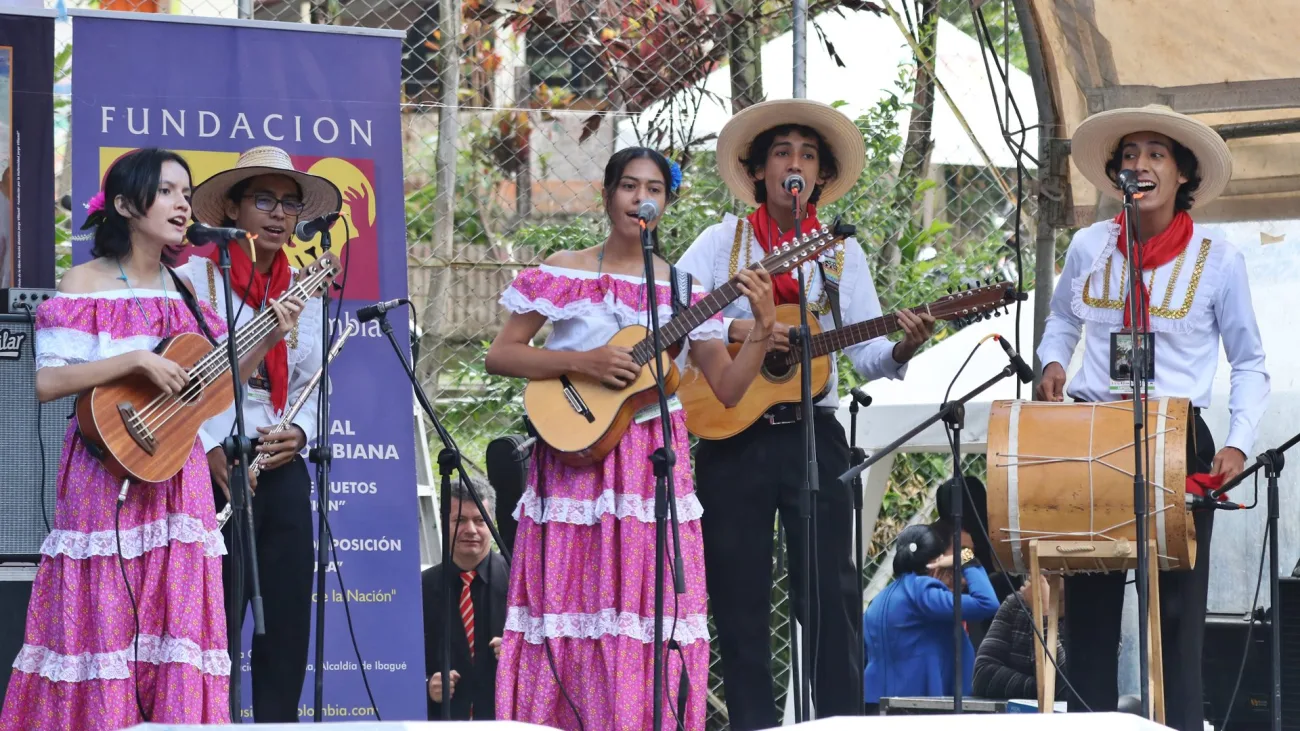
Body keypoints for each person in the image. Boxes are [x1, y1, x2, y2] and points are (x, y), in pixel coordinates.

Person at [0, 147, 302, 730]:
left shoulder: (187, 290)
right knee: (104, 623)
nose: (183, 203)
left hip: (176, 480)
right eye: (167, 191)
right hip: (102, 475)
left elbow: (213, 388)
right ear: (123, 204)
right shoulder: (84, 281)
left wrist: (269, 337)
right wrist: (134, 361)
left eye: (186, 193)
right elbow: (47, 381)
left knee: (175, 626)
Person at [485, 147, 777, 730]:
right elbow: (501, 355)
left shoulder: (688, 289)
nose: (640, 199)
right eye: (628, 186)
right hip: (572, 459)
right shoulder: (564, 270)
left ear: (666, 204)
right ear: (607, 195)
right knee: (569, 605)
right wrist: (587, 361)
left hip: (650, 463)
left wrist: (765, 330)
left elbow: (725, 388)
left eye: (654, 190)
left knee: (646, 612)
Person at [674, 98, 936, 728]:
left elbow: (869, 354)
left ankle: (838, 722)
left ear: (818, 176)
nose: (795, 164)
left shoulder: (839, 252)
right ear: (760, 170)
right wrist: (749, 328)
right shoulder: (718, 243)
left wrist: (902, 344)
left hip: (814, 435)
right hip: (730, 436)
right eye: (783, 153)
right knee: (740, 598)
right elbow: (676, 323)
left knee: (832, 595)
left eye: (808, 155)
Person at [1036, 104, 1270, 730]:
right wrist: (1053, 359)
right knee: (1088, 624)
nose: (1139, 164)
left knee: (1174, 629)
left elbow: (1250, 362)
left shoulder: (1220, 259)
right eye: (1130, 154)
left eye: (1156, 154)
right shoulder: (1090, 245)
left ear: (1183, 173)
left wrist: (1240, 443)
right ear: (1116, 172)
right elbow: (1061, 319)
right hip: (1091, 437)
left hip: (1176, 440)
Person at [172, 145, 339, 722]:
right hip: (210, 460)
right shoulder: (191, 280)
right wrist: (212, 445)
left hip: (279, 462)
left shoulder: (305, 290)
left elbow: (311, 382)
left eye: (289, 205)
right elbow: (182, 374)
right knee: (214, 610)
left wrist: (299, 429)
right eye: (263, 200)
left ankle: (277, 723)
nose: (278, 215)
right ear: (234, 210)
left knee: (288, 614)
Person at [862, 523, 999, 709]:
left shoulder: (880, 599)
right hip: (917, 709)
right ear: (937, 561)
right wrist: (967, 559)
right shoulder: (921, 592)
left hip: (876, 704)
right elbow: (987, 603)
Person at [422, 478, 508, 720]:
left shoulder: (520, 587)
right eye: (459, 520)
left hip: (504, 720)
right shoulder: (421, 589)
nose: (471, 530)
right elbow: (397, 665)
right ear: (443, 522)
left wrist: (521, 653)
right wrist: (426, 685)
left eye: (480, 520)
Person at [972, 574, 1068, 701]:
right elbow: (982, 677)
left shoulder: (1094, 613)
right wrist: (1043, 689)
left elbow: (1068, 689)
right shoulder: (1016, 604)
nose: (1044, 567)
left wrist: (1042, 614)